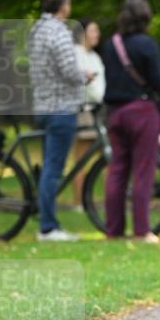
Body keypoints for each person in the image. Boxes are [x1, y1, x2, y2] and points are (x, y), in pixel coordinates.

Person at [29, 0, 94, 241]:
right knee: (53, 169)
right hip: (61, 107)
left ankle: (46, 221)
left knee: (49, 167)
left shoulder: (37, 29)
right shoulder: (58, 31)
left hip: (43, 106)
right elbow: (68, 70)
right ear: (64, 5)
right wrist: (85, 75)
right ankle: (48, 227)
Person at [102, 0, 160, 243]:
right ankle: (141, 230)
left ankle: (113, 230)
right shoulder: (147, 44)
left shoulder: (111, 44)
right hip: (141, 110)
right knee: (143, 170)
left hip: (115, 113)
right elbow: (156, 82)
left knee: (117, 170)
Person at [72, 18, 106, 210]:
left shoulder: (94, 57)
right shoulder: (76, 55)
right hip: (84, 111)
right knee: (81, 159)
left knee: (107, 157)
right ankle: (78, 202)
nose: (97, 35)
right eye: (94, 31)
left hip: (98, 110)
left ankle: (110, 200)